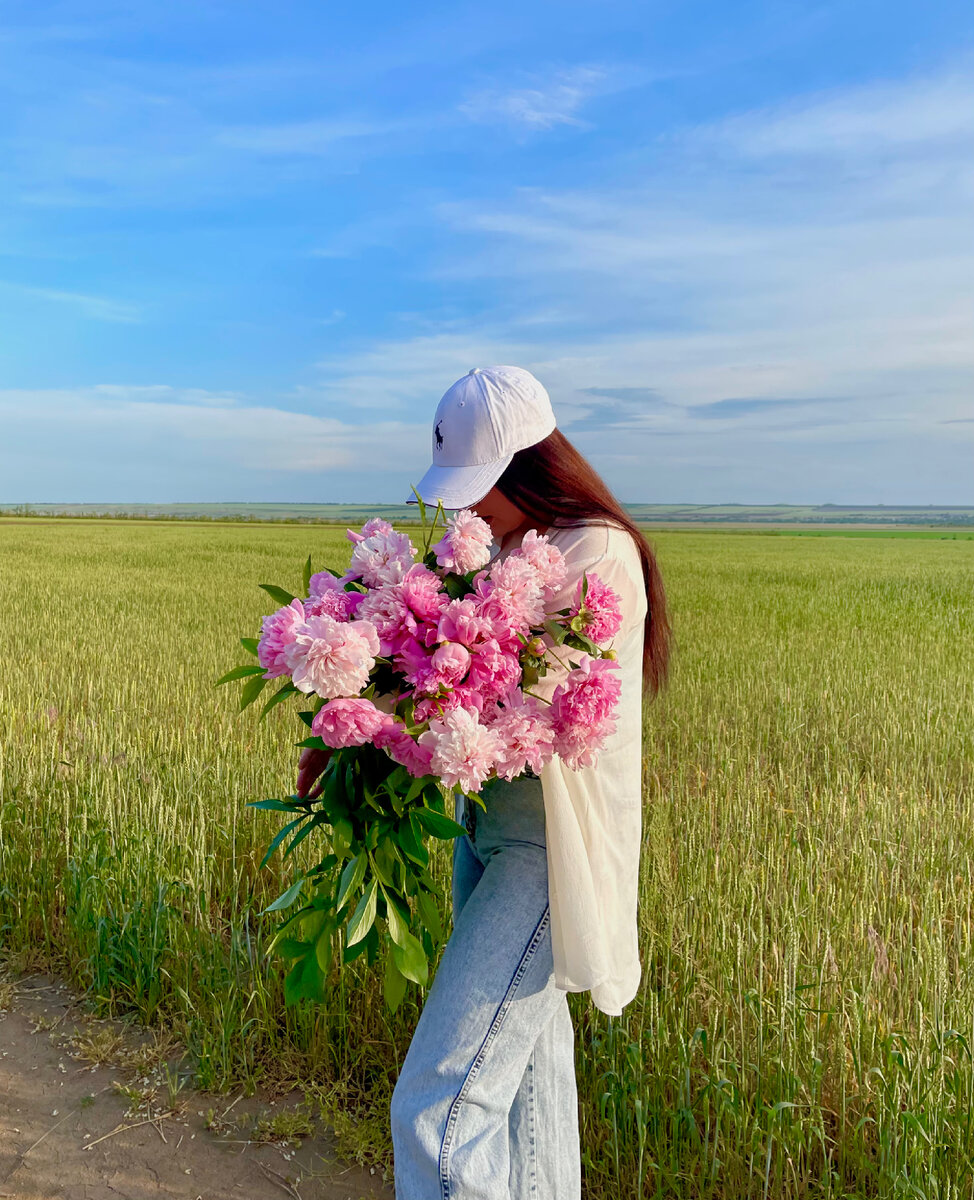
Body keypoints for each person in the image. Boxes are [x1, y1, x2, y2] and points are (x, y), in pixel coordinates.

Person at [296, 365, 671, 1199]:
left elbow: (523, 723)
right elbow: (429, 671)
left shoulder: (595, 553)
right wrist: (350, 730)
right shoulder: (503, 548)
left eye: (483, 486)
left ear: (532, 465)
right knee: (531, 1093)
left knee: (439, 1108)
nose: (469, 510)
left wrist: (396, 729)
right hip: (485, 833)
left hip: (549, 854)